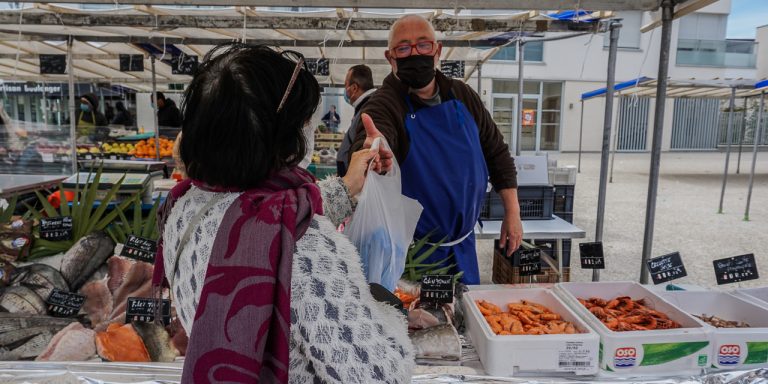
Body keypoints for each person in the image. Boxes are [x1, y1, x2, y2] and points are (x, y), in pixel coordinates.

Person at [151, 43, 411, 383]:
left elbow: (260, 218)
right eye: (304, 121)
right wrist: (388, 310)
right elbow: (379, 374)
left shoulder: (182, 207)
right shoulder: (308, 249)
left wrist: (349, 186)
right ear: (284, 136)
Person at [350, 14, 523, 285]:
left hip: (464, 247)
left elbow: (497, 153)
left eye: (423, 45)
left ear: (437, 50)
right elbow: (374, 134)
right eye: (404, 48)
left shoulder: (463, 95)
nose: (415, 52)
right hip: (412, 256)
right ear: (390, 57)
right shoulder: (385, 103)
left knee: (464, 323)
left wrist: (513, 213)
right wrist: (375, 150)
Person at [337, 64, 376, 177]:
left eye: (346, 85)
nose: (346, 90)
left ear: (354, 88)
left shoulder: (371, 108)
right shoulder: (364, 106)